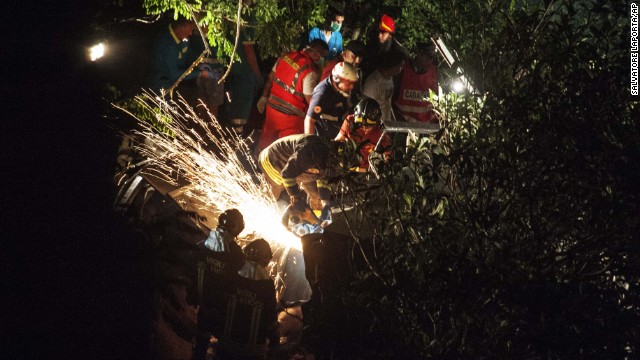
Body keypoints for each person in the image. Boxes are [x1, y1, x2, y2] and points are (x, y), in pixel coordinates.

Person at [190, 209, 247, 360]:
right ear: (238, 227)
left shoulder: (203, 245)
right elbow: (241, 281)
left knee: (200, 343)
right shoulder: (236, 253)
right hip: (224, 307)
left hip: (204, 303)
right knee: (223, 345)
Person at [255, 40, 329, 153]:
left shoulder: (286, 56)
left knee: (265, 145)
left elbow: (270, 78)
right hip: (291, 120)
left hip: (272, 111)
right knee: (283, 152)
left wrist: (264, 97)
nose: (322, 61)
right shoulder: (310, 71)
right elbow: (312, 103)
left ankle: (256, 165)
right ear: (315, 54)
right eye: (322, 57)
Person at [216, 239, 279, 360]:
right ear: (266, 258)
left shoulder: (233, 277)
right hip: (252, 352)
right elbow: (270, 319)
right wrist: (275, 341)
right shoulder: (267, 285)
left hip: (225, 347)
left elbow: (220, 305)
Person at [257, 134, 336, 212]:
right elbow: (287, 174)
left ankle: (318, 221)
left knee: (318, 198)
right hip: (275, 159)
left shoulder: (333, 159)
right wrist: (296, 198)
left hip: (303, 167)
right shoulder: (308, 152)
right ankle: (260, 213)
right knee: (270, 197)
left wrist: (324, 199)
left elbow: (324, 177)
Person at [150, 17, 218, 97]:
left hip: (173, 81)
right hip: (161, 82)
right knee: (164, 104)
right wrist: (200, 73)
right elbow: (175, 74)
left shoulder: (183, 37)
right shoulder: (167, 44)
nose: (190, 34)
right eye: (189, 30)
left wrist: (198, 64)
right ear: (179, 29)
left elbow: (187, 55)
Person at [304, 61, 359, 140]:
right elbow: (309, 120)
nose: (351, 87)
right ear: (337, 79)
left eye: (353, 83)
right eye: (348, 83)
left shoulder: (343, 89)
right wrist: (310, 144)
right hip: (325, 138)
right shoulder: (322, 94)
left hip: (340, 133)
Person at [335, 97, 391, 171]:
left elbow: (387, 157)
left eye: (368, 125)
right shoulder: (350, 121)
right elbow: (337, 141)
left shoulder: (382, 133)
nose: (364, 127)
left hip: (367, 172)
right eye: (361, 124)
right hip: (346, 168)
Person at [394, 42, 439, 123]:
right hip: (403, 124)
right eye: (428, 57)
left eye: (432, 58)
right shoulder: (403, 69)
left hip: (425, 126)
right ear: (419, 54)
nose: (430, 61)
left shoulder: (434, 72)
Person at [361, 14, 410, 80]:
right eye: (378, 32)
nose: (379, 35)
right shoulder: (371, 47)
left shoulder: (400, 52)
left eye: (383, 32)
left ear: (390, 35)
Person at [362, 50, 405, 122]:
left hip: (386, 122)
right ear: (391, 64)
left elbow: (388, 102)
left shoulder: (390, 78)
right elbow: (366, 107)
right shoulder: (373, 82)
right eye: (399, 66)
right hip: (374, 123)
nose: (400, 69)